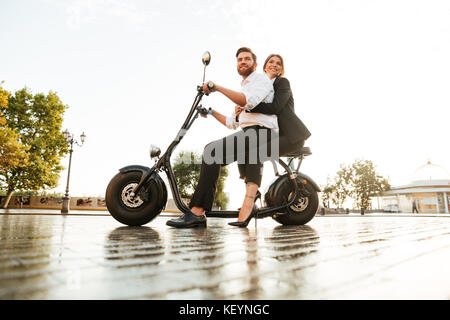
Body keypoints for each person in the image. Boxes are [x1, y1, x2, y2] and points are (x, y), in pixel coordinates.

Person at [166, 47, 276, 228]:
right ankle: (199, 210)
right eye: (240, 59)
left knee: (212, 151)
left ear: (255, 64)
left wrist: (216, 87)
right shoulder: (245, 87)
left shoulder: (261, 80)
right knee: (213, 151)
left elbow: (246, 101)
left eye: (247, 59)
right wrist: (210, 111)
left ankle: (197, 211)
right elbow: (231, 122)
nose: (243, 62)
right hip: (250, 132)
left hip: (262, 133)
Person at [249, 54, 311, 157]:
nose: (274, 65)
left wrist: (249, 107)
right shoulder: (260, 87)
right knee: (245, 153)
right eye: (271, 62)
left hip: (291, 136)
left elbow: (275, 107)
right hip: (273, 134)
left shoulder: (283, 82)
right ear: (264, 67)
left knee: (255, 156)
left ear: (281, 69)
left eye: (278, 63)